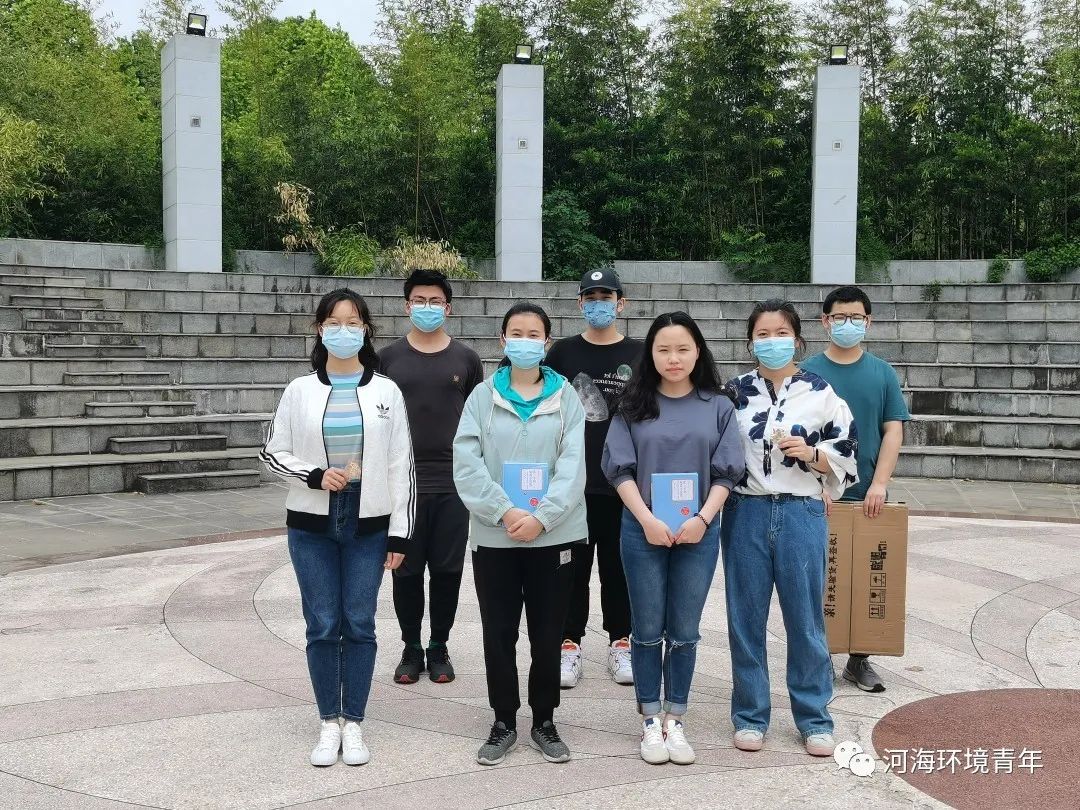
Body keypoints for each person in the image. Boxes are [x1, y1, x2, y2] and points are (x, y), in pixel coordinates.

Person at [260, 288, 415, 767]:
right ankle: (330, 720)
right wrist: (312, 474)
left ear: (365, 330)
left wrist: (400, 531)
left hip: (368, 521)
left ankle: (356, 721)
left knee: (360, 623)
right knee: (323, 623)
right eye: (334, 323)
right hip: (312, 522)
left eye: (352, 323)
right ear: (319, 329)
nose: (343, 331)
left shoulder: (386, 391)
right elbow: (272, 452)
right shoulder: (299, 390)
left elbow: (401, 466)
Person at [602, 311, 745, 766]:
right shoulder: (632, 404)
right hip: (642, 528)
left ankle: (675, 718)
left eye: (683, 348)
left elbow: (727, 472)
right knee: (646, 629)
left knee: (684, 630)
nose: (674, 358)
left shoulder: (718, 405)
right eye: (663, 349)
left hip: (698, 531)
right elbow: (619, 470)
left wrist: (703, 518)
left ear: (698, 351)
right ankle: (649, 718)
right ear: (651, 354)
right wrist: (645, 518)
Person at [721, 299, 857, 758]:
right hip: (746, 510)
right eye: (763, 334)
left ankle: (814, 718)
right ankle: (750, 715)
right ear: (750, 341)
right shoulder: (734, 392)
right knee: (745, 618)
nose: (772, 341)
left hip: (802, 511)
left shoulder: (821, 392)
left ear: (797, 339)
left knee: (805, 619)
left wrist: (813, 454)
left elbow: (847, 451)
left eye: (781, 333)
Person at [453, 302, 587, 767]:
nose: (525, 341)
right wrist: (505, 511)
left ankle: (544, 720)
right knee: (499, 633)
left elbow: (573, 465)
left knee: (548, 634)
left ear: (546, 343)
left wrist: (543, 517)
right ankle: (503, 721)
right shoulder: (481, 397)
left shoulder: (566, 396)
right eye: (516, 333)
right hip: (496, 536)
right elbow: (466, 462)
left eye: (534, 334)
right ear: (503, 340)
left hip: (554, 535)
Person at [801, 285, 910, 693]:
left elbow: (892, 430)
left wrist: (879, 484)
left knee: (866, 578)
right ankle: (820, 657)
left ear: (868, 321)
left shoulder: (882, 373)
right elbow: (799, 433)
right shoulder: (807, 371)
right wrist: (816, 483)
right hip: (816, 495)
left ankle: (859, 660)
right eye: (839, 317)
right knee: (818, 580)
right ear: (825, 321)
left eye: (856, 318)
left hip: (867, 495)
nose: (848, 324)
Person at [380, 269, 484, 685]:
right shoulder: (387, 359)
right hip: (402, 484)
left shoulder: (466, 359)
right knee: (404, 570)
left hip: (453, 483)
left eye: (435, 301)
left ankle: (439, 646)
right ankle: (410, 647)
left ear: (448, 308)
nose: (427, 307)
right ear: (407, 306)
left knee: (447, 571)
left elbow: (477, 420)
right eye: (419, 300)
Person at [545, 268, 641, 689]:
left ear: (621, 303)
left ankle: (621, 641)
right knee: (571, 569)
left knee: (619, 569)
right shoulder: (562, 353)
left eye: (607, 297)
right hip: (573, 484)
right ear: (580, 303)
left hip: (623, 484)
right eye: (591, 297)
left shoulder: (640, 353)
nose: (599, 304)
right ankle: (569, 644)